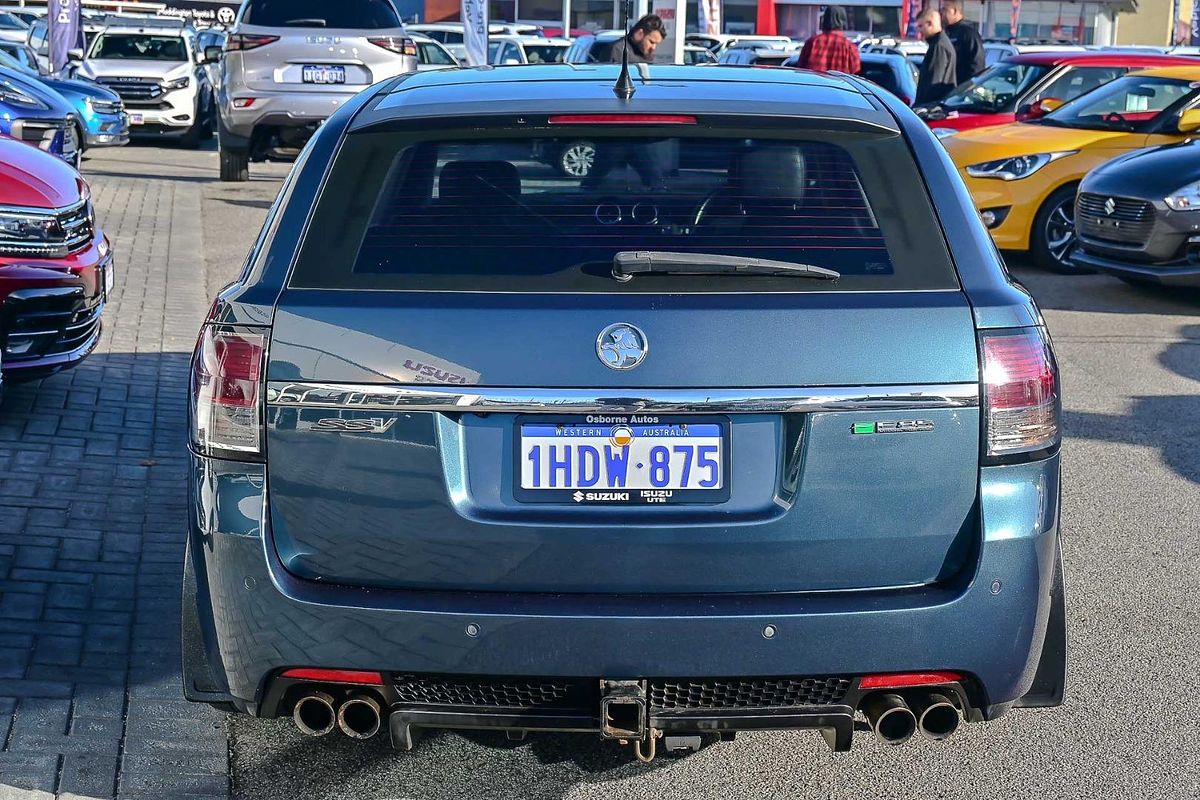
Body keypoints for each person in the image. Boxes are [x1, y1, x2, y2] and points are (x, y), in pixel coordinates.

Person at [797, 5, 861, 74]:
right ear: (843, 21)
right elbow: (856, 73)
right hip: (839, 84)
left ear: (824, 19)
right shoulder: (849, 47)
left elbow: (801, 70)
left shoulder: (812, 42)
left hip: (814, 83)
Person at [915, 8, 956, 105]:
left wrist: (922, 106)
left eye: (921, 26)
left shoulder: (939, 46)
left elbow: (933, 81)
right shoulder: (940, 43)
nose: (919, 30)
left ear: (930, 24)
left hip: (932, 106)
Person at [940, 0, 986, 86]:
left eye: (945, 9)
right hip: (946, 90)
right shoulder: (946, 33)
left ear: (955, 11)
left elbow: (977, 65)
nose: (941, 13)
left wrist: (967, 88)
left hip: (961, 90)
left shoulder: (968, 34)